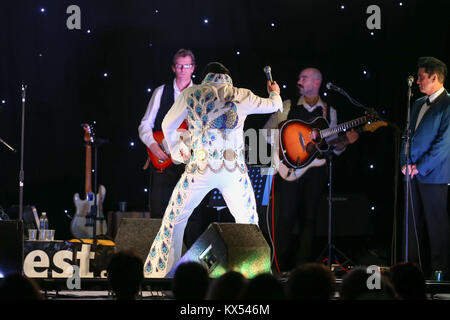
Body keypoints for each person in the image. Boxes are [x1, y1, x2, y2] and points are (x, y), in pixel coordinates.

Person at [143, 62, 282, 278]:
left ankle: (161, 274)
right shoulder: (242, 94)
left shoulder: (191, 93)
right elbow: (274, 106)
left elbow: (167, 124)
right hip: (233, 170)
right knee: (248, 220)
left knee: (175, 217)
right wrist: (274, 93)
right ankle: (256, 275)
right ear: (228, 77)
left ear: (206, 76)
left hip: (200, 167)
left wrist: (179, 150)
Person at [264, 67, 359, 272]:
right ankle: (277, 267)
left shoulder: (329, 111)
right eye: (299, 77)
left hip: (315, 170)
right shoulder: (287, 106)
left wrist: (346, 142)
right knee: (285, 217)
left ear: (316, 83)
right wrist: (284, 149)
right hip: (289, 169)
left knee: (309, 219)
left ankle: (302, 270)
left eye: (304, 78)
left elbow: (330, 145)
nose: (299, 80)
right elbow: (266, 133)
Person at [138, 48, 210, 248]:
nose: (183, 69)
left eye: (187, 66)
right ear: (173, 68)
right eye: (179, 65)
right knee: (159, 212)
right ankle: (157, 264)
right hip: (163, 159)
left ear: (193, 68)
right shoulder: (161, 92)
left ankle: (191, 264)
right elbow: (145, 124)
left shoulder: (202, 95)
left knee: (192, 214)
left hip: (190, 163)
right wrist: (152, 145)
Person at [400, 56, 450, 280]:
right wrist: (404, 161)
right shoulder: (418, 103)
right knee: (411, 225)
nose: (418, 81)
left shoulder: (447, 104)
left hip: (434, 175)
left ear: (435, 77)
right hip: (410, 172)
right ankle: (410, 273)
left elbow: (444, 144)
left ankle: (440, 274)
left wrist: (419, 166)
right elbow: (407, 135)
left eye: (421, 77)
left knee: (436, 225)